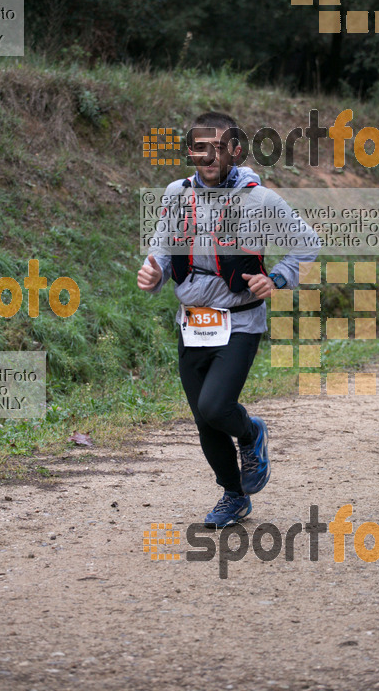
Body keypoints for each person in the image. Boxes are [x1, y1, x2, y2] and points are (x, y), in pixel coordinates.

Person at [138, 111, 319, 527]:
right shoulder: (175, 194)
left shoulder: (260, 199)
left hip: (239, 321)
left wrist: (275, 278)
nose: (210, 155)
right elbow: (163, 250)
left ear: (235, 151)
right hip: (193, 323)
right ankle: (233, 495)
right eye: (201, 147)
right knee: (205, 419)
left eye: (220, 147)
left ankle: (251, 432)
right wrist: (154, 272)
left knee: (216, 405)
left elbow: (307, 244)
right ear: (190, 151)